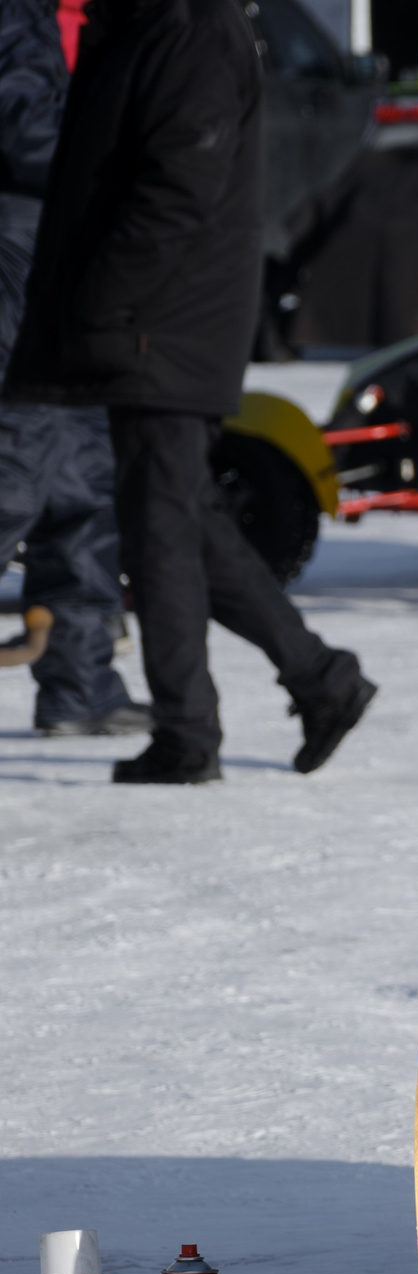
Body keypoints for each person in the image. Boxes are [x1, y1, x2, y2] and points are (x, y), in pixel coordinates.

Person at [3, 0, 374, 784]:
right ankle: (320, 677)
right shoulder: (144, 24)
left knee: (158, 532)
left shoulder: (193, 28)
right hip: (151, 315)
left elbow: (179, 182)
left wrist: (106, 302)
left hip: (167, 318)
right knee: (182, 518)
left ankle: (187, 731)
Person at [0, 0, 141, 737]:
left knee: (85, 475)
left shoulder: (94, 18)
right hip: (15, 261)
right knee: (14, 466)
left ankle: (81, 682)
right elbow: (23, 127)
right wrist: (121, 149)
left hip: (68, 265)